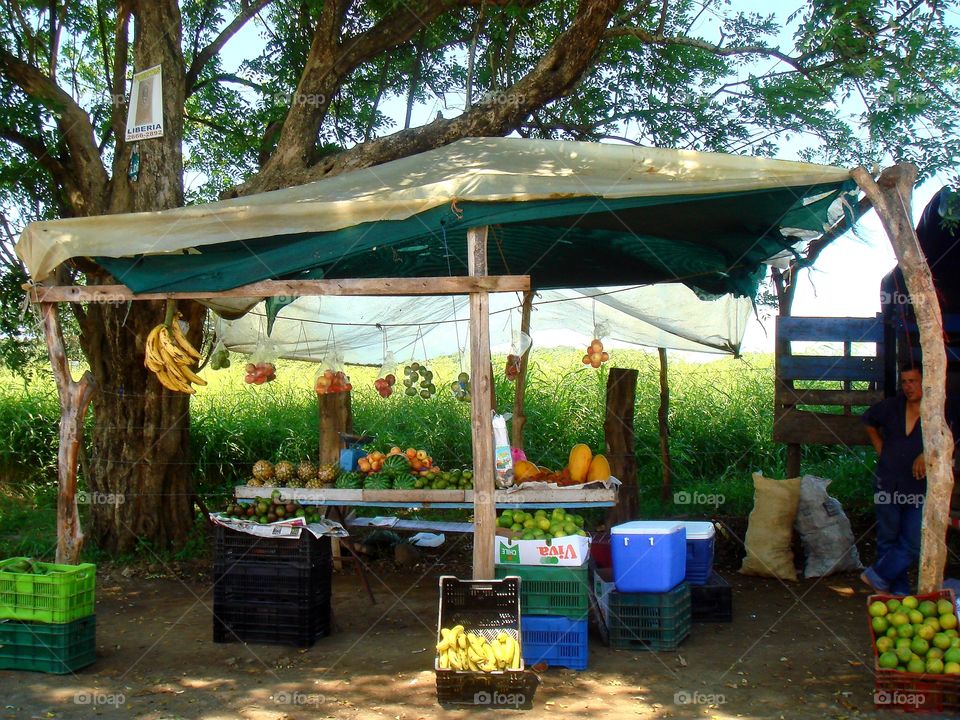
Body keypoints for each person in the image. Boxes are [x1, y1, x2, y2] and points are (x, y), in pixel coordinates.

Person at [859, 366, 927, 595]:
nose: (908, 387)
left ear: (925, 382)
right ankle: (899, 593)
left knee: (912, 543)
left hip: (917, 488)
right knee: (887, 539)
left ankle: (877, 575)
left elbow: (950, 437)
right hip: (887, 483)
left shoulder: (936, 412)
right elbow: (868, 419)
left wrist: (927, 453)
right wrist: (879, 445)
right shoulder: (893, 406)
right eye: (905, 382)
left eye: (913, 381)